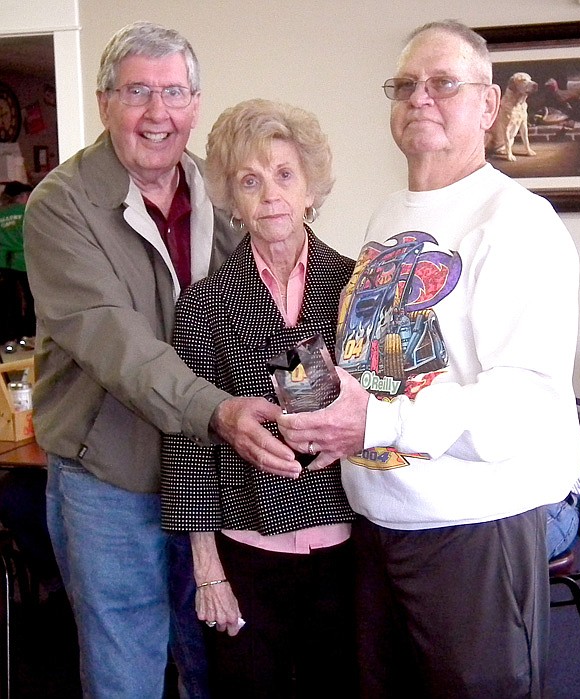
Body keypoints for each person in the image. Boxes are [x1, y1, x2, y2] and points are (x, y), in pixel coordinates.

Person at [279, 20, 580, 698]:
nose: (420, 98)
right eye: (405, 85)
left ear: (489, 105)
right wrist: (339, 425)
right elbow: (383, 362)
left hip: (473, 531)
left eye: (443, 83)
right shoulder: (390, 212)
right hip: (382, 520)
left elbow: (521, 406)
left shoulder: (517, 222)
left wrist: (377, 426)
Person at [23, 22, 298, 699]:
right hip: (111, 478)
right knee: (128, 667)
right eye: (137, 91)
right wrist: (219, 410)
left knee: (214, 657)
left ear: (196, 104)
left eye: (174, 92)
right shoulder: (60, 207)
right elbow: (116, 342)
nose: (157, 113)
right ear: (104, 101)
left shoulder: (223, 191)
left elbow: (270, 300)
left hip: (208, 473)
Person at [161, 99, 357, 699]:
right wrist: (207, 567)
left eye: (284, 174)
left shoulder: (354, 286)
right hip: (245, 547)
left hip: (346, 544)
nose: (270, 194)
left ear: (310, 189)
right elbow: (188, 439)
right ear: (231, 199)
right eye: (250, 179)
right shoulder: (201, 305)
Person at [0, 180, 35, 342]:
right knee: (30, 298)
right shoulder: (28, 211)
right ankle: (29, 332)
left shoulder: (1, 213)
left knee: (9, 300)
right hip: (25, 261)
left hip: (4, 262)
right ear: (21, 196)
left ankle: (9, 335)